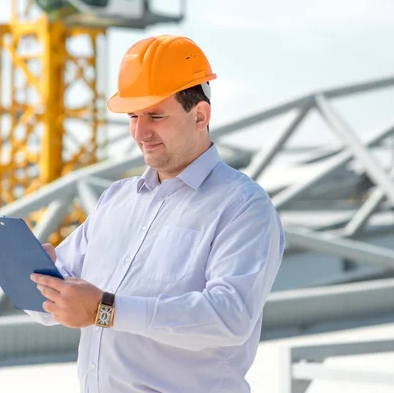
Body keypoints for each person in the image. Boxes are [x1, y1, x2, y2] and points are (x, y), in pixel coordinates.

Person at [26, 34, 285, 393]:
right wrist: (34, 277)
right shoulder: (117, 199)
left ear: (200, 115)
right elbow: (56, 303)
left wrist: (105, 309)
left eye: (155, 115)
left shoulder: (243, 207)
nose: (140, 131)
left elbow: (229, 317)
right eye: (133, 115)